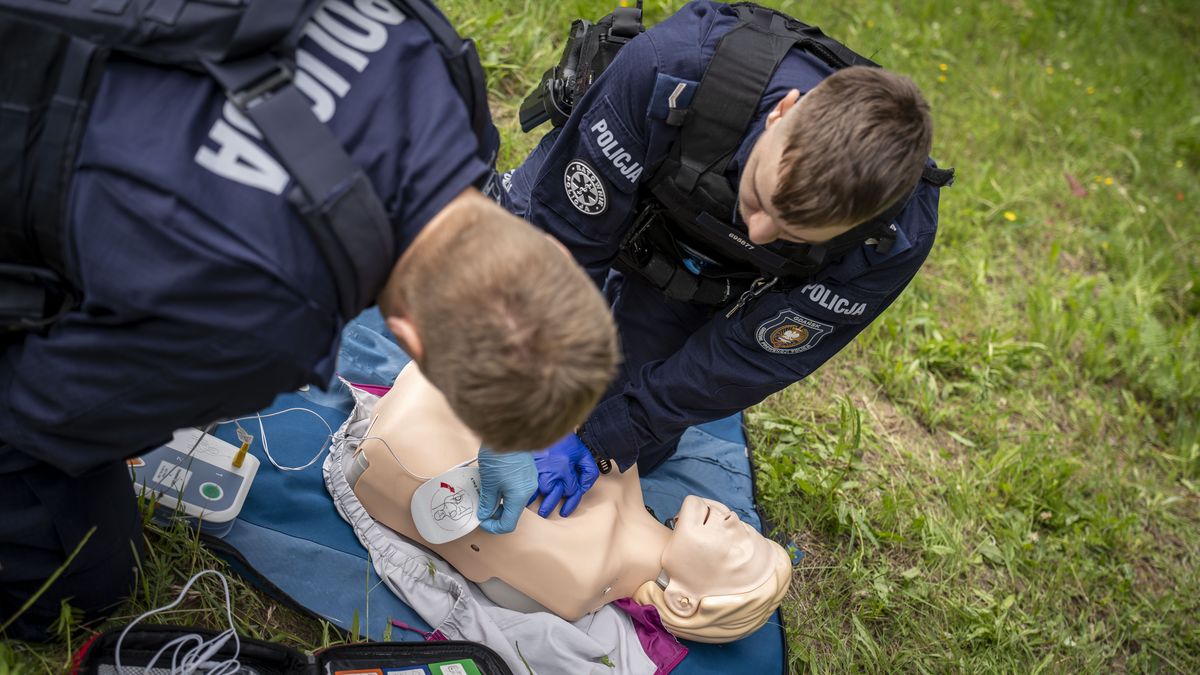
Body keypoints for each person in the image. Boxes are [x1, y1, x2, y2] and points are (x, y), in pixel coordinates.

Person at [0, 1, 618, 641]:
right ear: (409, 339)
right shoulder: (259, 326)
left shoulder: (437, 66)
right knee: (81, 587)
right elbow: (35, 414)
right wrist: (143, 399)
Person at [501, 0, 951, 516]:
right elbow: (565, 237)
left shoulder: (892, 240)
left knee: (623, 445)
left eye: (790, 234)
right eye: (759, 200)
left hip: (703, 273)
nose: (759, 232)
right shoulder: (672, 70)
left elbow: (750, 357)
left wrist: (605, 436)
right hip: (617, 190)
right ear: (783, 113)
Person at [331, 361, 791, 643]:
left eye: (738, 550)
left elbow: (426, 485)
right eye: (747, 528)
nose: (733, 519)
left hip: (399, 436)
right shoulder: (623, 469)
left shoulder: (581, 574)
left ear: (686, 602)